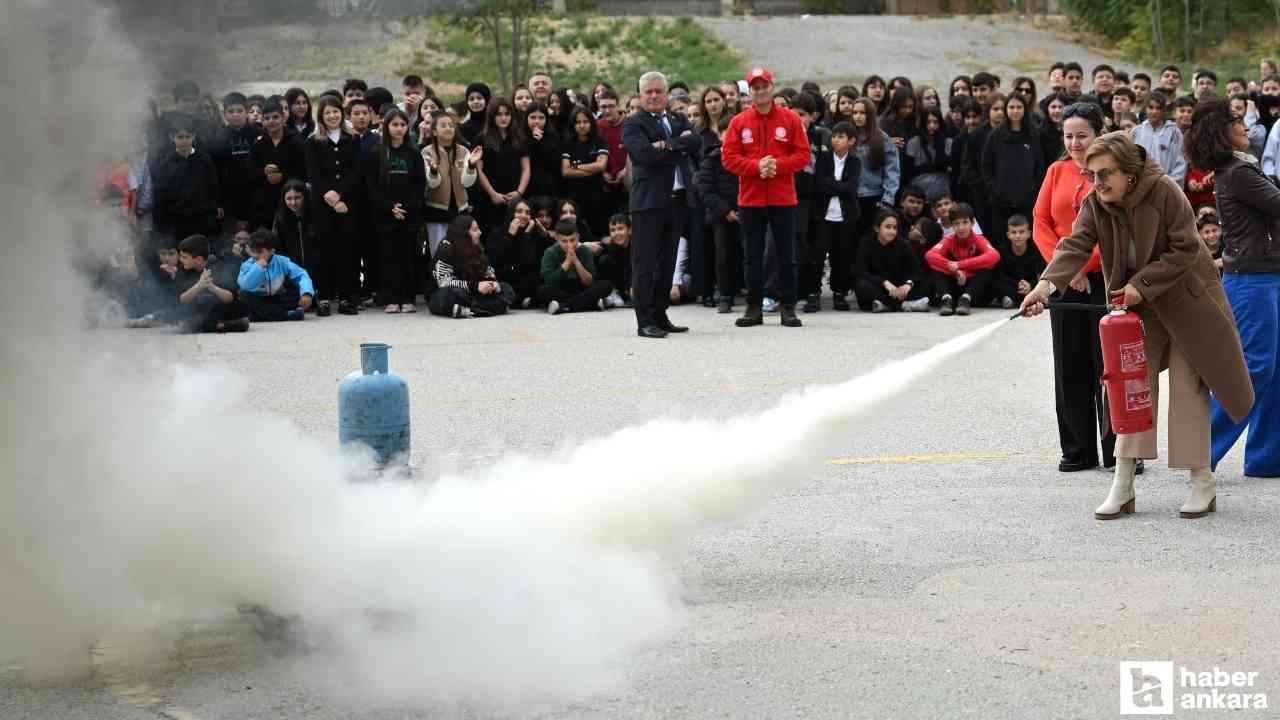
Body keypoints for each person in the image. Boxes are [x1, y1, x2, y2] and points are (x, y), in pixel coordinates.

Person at [1021, 131, 1253, 520]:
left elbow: (1186, 249)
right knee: (1130, 391)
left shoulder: (1165, 191)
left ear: (1130, 173)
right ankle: (1123, 485)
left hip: (1188, 302)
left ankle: (1202, 483)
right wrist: (1045, 287)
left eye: (1105, 173)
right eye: (1092, 174)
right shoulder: (1097, 201)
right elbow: (1074, 245)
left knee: (1187, 388)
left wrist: (1138, 286)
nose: (1097, 183)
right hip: (1139, 308)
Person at [1186, 100, 1280, 478]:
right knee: (1254, 368)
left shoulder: (1241, 167)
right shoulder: (1238, 172)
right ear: (1221, 131)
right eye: (1237, 120)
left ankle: (1267, 458)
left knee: (1274, 370)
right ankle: (1200, 450)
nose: (1244, 125)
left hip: (1266, 276)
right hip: (1252, 281)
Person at [1032, 102, 1120, 474]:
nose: (1074, 142)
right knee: (1069, 365)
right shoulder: (1056, 171)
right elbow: (1040, 221)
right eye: (1068, 135)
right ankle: (1077, 448)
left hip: (1105, 278)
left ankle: (1119, 448)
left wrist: (1083, 265)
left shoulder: (1112, 174)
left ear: (1099, 133)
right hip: (1062, 281)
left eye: (1082, 135)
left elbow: (1116, 228)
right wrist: (1063, 271)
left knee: (1110, 367)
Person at [721, 67, 811, 328]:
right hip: (750, 200)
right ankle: (753, 308)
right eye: (755, 87)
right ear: (750, 91)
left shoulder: (790, 119)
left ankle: (788, 308)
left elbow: (802, 155)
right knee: (752, 257)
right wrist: (756, 167)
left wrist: (777, 166)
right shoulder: (739, 122)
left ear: (772, 88)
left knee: (786, 256)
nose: (760, 91)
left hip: (783, 199)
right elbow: (729, 157)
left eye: (764, 86)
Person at [622, 70, 702, 338]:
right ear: (641, 95)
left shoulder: (678, 118)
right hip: (648, 203)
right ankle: (644, 320)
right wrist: (677, 145)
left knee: (668, 263)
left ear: (667, 94)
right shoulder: (634, 124)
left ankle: (660, 313)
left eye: (659, 91)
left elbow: (696, 142)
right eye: (649, 92)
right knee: (645, 264)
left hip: (677, 201)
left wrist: (665, 145)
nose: (654, 96)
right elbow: (643, 154)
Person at [304, 95, 363, 316]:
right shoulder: (313, 140)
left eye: (335, 111)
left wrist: (340, 195)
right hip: (322, 204)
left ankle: (348, 297)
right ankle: (325, 296)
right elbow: (313, 172)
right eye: (327, 112)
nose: (332, 116)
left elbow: (356, 171)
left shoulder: (353, 138)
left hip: (347, 203)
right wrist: (328, 195)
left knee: (347, 250)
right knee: (324, 249)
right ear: (321, 116)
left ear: (342, 113)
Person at [365, 108, 426, 313]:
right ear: (386, 127)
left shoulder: (414, 153)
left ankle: (408, 298)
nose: (399, 129)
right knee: (388, 256)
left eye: (402, 125)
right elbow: (372, 187)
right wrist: (390, 207)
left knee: (408, 256)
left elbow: (419, 185)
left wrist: (406, 207)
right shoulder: (377, 153)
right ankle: (391, 298)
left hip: (409, 213)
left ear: (407, 127)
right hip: (385, 214)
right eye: (394, 125)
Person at [804, 120, 861, 312]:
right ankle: (813, 293)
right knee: (817, 255)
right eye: (834, 136)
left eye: (840, 137)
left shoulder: (854, 161)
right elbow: (820, 184)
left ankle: (839, 292)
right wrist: (839, 186)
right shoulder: (824, 158)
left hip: (845, 216)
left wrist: (833, 185)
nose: (835, 140)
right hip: (824, 215)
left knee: (841, 255)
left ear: (851, 141)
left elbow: (851, 188)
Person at [982, 92, 1045, 251]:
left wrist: (1035, 190)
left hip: (1027, 200)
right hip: (1001, 201)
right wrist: (994, 189)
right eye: (1011, 107)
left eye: (1019, 107)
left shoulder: (1033, 134)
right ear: (1005, 109)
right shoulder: (996, 135)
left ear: (1025, 109)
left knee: (1028, 241)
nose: (1015, 111)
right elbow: (986, 165)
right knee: (1001, 240)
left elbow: (1039, 166)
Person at [153, 115, 221, 250]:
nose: (184, 141)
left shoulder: (204, 159)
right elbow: (161, 194)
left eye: (187, 136)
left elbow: (213, 186)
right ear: (172, 137)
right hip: (177, 220)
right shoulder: (166, 164)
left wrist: (214, 208)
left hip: (202, 218)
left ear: (193, 136)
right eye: (180, 137)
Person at [924, 202, 999, 315]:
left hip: (972, 287)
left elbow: (994, 255)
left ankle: (965, 299)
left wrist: (960, 265)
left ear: (972, 222)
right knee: (936, 268)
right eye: (957, 224)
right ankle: (946, 299)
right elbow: (930, 255)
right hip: (955, 282)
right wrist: (955, 270)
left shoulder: (978, 239)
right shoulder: (949, 240)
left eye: (965, 222)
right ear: (952, 225)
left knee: (988, 268)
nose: (961, 228)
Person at [430, 214, 513, 317]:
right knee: (448, 295)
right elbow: (443, 283)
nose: (480, 232)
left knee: (506, 288)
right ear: (463, 232)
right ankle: (488, 308)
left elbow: (487, 268)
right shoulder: (446, 248)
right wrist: (475, 286)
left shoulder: (475, 244)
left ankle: (469, 310)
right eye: (475, 230)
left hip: (474, 294)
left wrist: (492, 282)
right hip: (455, 292)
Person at [698, 117, 741, 314]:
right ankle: (725, 295)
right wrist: (726, 211)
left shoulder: (747, 156)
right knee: (723, 256)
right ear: (720, 135)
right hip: (720, 215)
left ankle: (754, 293)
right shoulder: (711, 159)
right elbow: (706, 191)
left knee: (751, 254)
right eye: (726, 132)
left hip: (747, 211)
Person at [423, 113, 482, 257]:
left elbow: (467, 182)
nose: (448, 128)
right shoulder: (427, 152)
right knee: (439, 254)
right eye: (443, 125)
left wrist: (471, 165)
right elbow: (432, 183)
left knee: (461, 254)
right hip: (436, 211)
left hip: (460, 211)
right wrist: (434, 170)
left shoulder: (464, 151)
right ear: (434, 131)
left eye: (451, 125)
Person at [852, 210, 928, 312]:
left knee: (927, 283)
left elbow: (916, 270)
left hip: (900, 289)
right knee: (860, 284)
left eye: (895, 228)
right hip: (879, 287)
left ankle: (886, 305)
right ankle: (904, 305)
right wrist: (884, 283)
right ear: (877, 228)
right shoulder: (866, 243)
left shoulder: (903, 244)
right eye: (888, 227)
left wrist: (908, 284)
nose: (892, 231)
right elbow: (861, 271)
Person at [250, 96, 307, 231]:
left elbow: (305, 172)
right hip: (265, 205)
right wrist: (264, 171)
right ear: (263, 121)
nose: (271, 121)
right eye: (267, 118)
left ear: (283, 118)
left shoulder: (297, 142)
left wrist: (282, 176)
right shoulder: (259, 145)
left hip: (292, 204)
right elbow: (250, 172)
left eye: (275, 117)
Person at [173, 234, 249, 333]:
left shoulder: (218, 267)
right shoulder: (182, 269)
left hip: (216, 308)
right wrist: (199, 286)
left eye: (184, 257)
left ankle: (203, 325)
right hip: (197, 309)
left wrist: (212, 287)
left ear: (199, 259)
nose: (181, 260)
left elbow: (230, 297)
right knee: (177, 310)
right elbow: (182, 299)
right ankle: (223, 326)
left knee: (227, 306)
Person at [487, 198, 554, 308]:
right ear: (511, 213)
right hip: (505, 276)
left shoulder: (533, 232)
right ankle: (521, 300)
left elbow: (529, 260)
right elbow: (496, 259)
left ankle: (523, 300)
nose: (523, 215)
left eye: (528, 213)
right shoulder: (498, 232)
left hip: (526, 279)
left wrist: (528, 234)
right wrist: (510, 236)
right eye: (519, 211)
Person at [538, 218, 614, 314]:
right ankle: (590, 304)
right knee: (543, 291)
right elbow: (550, 281)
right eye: (564, 241)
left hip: (582, 288)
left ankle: (564, 306)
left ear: (578, 237)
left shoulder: (584, 251)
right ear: (557, 238)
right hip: (561, 288)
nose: (569, 245)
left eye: (572, 240)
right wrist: (567, 262)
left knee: (606, 285)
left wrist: (576, 261)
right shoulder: (550, 252)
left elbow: (589, 282)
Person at [237, 229, 315, 322]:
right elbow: (246, 286)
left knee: (299, 292)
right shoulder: (248, 264)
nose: (256, 255)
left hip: (277, 298)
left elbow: (301, 275)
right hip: (258, 299)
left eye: (260, 252)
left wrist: (306, 294)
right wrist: (258, 268)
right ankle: (287, 315)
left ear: (272, 251)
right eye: (254, 252)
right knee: (243, 297)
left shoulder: (282, 261)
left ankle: (262, 315)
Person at [1130, 94, 1187, 187]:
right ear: (1145, 109)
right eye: (1151, 107)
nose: (1154, 111)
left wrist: (1168, 183)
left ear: (1164, 110)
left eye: (1158, 108)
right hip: (1141, 185)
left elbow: (1180, 162)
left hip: (1166, 185)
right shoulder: (1136, 132)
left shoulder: (1174, 132)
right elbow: (1131, 159)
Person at [991, 214, 1044, 308]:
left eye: (1021, 232)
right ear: (1008, 235)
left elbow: (1041, 275)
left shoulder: (1036, 251)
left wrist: (1030, 286)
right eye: (1014, 232)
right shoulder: (1002, 251)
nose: (1018, 236)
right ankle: (1016, 299)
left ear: (1028, 234)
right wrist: (1018, 285)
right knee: (995, 283)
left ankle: (1014, 300)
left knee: (1044, 285)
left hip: (1030, 286)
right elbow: (1000, 277)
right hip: (1011, 286)